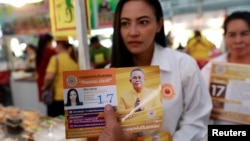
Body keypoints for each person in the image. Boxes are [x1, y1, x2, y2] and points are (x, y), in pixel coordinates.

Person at [97, 0, 212, 141]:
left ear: (159, 24)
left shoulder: (183, 65)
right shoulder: (108, 74)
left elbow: (196, 119)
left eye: (143, 22)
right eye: (125, 23)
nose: (133, 32)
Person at [201, 11, 250, 124]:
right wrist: (205, 110)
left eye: (244, 34)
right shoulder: (212, 69)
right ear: (225, 37)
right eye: (232, 35)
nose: (238, 41)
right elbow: (195, 104)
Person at [43, 40, 79, 117]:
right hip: (72, 96)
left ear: (61, 45)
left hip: (58, 97)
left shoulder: (55, 59)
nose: (55, 47)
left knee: (56, 123)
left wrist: (45, 87)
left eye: (56, 45)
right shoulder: (75, 59)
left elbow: (49, 77)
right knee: (69, 122)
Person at [35, 34, 56, 102]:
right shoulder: (50, 52)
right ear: (48, 42)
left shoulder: (38, 53)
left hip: (41, 81)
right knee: (53, 106)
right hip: (49, 82)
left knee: (47, 103)